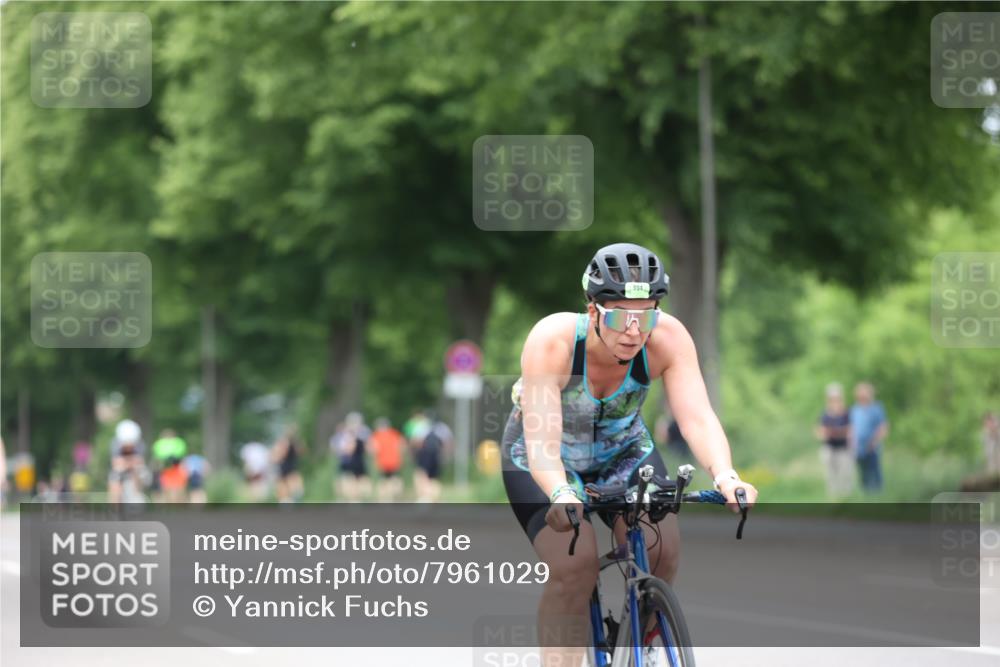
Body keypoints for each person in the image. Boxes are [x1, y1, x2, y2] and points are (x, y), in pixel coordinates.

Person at [500, 243, 757, 667]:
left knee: (663, 550)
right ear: (593, 309)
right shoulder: (554, 340)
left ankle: (643, 639)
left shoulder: (668, 338)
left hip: (623, 451)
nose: (635, 330)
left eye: (647, 314)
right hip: (546, 457)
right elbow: (543, 442)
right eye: (621, 315)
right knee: (575, 566)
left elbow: (696, 417)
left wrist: (726, 476)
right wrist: (562, 493)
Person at [849, 382, 889, 493]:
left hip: (872, 445)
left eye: (864, 393)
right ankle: (866, 493)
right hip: (858, 447)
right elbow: (853, 428)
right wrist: (852, 442)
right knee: (863, 471)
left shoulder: (876, 408)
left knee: (874, 470)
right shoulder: (855, 409)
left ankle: (878, 492)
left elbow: (883, 427)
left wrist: (875, 441)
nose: (862, 396)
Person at [815, 383, 853, 498]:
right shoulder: (825, 414)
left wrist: (834, 432)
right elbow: (820, 431)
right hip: (830, 448)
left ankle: (846, 498)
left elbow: (850, 430)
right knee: (831, 476)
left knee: (845, 475)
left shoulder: (847, 413)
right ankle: (834, 499)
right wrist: (834, 432)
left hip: (844, 448)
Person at [108, 419, 150, 504]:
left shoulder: (140, 444)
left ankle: (137, 496)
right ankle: (115, 505)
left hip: (134, 468)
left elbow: (140, 461)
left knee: (141, 472)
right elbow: (115, 462)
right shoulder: (115, 443)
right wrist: (128, 464)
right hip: (121, 467)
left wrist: (131, 465)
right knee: (114, 478)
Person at [332, 412, 371, 501]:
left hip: (356, 460)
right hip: (352, 461)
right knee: (353, 482)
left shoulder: (359, 433)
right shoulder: (350, 434)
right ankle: (353, 500)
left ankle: (355, 500)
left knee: (357, 482)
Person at [414, 415, 451, 503]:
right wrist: (445, 455)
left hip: (425, 454)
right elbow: (447, 442)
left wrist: (417, 455)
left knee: (422, 474)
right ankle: (435, 499)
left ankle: (425, 497)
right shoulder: (443, 427)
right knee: (435, 478)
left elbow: (417, 441)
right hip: (437, 454)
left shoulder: (423, 426)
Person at [367, 418, 405, 501]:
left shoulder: (376, 435)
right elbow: (401, 445)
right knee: (395, 479)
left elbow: (373, 448)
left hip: (382, 461)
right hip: (395, 461)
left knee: (383, 480)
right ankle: (395, 496)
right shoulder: (394, 433)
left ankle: (385, 499)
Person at [152, 429, 189, 503]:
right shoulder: (159, 444)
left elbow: (182, 458)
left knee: (178, 490)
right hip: (165, 470)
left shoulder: (178, 443)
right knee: (166, 490)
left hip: (176, 469)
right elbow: (157, 459)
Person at [272, 425, 305, 503]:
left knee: (294, 492)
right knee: (285, 493)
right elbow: (278, 455)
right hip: (286, 468)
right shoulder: (286, 442)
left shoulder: (295, 443)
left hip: (289, 468)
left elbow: (301, 452)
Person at [982, 411, 1000, 477]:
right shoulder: (986, 436)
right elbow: (989, 457)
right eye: (986, 423)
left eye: (992, 422)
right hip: (993, 473)